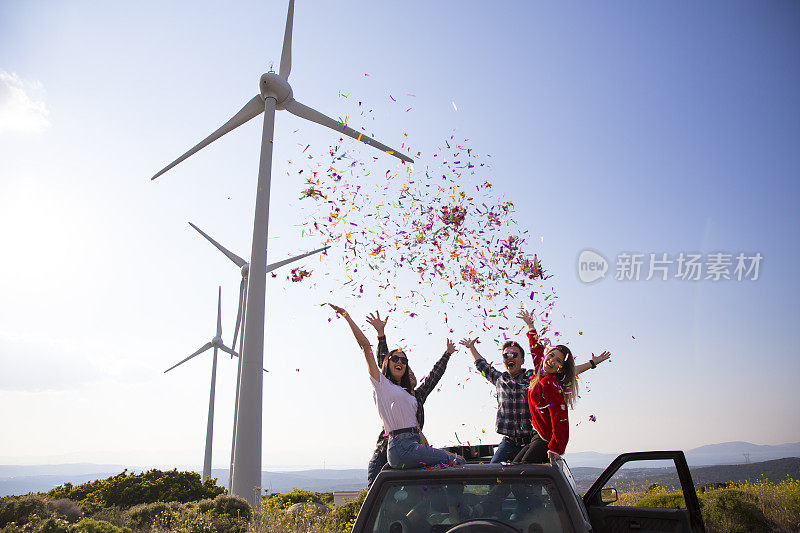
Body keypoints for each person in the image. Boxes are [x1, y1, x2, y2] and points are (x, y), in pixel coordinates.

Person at [460, 309, 610, 463]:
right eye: (506, 355)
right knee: (495, 473)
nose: (509, 357)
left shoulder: (534, 377)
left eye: (514, 355)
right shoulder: (500, 380)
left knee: (525, 475)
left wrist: (591, 364)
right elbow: (482, 365)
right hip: (509, 440)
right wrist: (471, 348)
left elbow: (565, 372)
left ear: (523, 359)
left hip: (532, 438)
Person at [328, 304, 464, 472]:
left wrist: (430, 450)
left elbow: (417, 427)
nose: (400, 362)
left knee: (450, 464)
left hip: (412, 444)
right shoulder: (383, 385)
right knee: (459, 462)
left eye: (404, 360)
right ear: (387, 363)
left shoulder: (411, 397)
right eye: (395, 359)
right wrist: (348, 316)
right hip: (400, 447)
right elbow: (366, 347)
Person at [365, 311, 455, 487]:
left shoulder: (418, 396)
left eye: (409, 368)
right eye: (403, 367)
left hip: (411, 452)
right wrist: (381, 335)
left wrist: (447, 354)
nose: (409, 372)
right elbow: (385, 362)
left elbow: (433, 376)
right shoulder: (392, 389)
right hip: (384, 454)